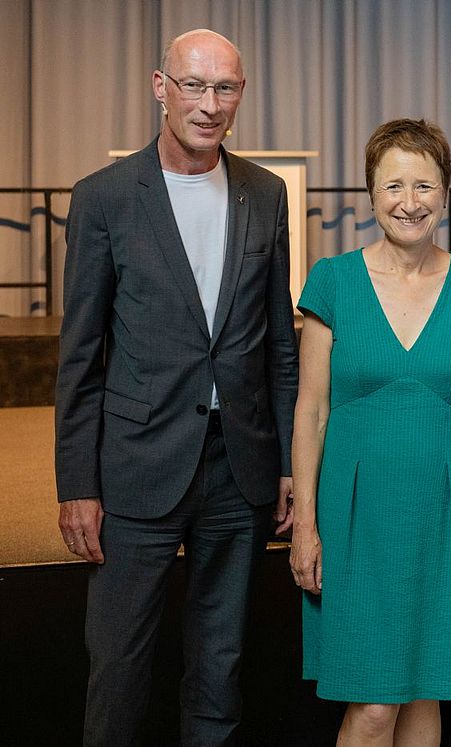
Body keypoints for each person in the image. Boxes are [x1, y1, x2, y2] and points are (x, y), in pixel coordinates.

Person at [54, 28, 298, 745]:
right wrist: (76, 481)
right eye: (194, 84)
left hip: (238, 469)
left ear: (241, 95)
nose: (209, 103)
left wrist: (286, 461)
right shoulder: (103, 198)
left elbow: (278, 342)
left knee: (220, 666)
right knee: (120, 664)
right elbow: (81, 355)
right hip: (135, 469)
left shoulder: (266, 193)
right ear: (161, 87)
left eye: (225, 87)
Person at [290, 118, 451, 746]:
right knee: (374, 703)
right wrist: (306, 523)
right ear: (370, 193)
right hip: (356, 515)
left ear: (445, 193)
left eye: (424, 186)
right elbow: (311, 411)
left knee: (427, 690)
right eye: (393, 187)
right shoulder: (332, 281)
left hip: (444, 507)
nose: (409, 202)